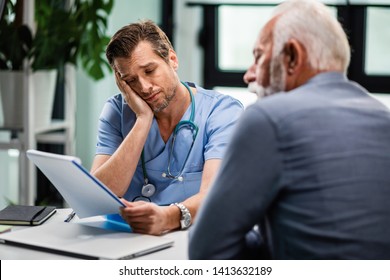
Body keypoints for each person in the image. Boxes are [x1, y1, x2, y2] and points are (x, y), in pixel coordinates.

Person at [189, 0, 390, 259]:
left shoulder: (267, 118)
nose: (248, 75)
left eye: (259, 56)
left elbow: (207, 251)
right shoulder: (384, 118)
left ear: (292, 57)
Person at [90, 20, 243, 236]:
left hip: (193, 237)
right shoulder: (117, 112)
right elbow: (98, 196)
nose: (144, 87)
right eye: (131, 80)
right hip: (127, 239)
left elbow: (216, 195)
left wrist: (168, 217)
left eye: (150, 71)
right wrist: (143, 120)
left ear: (172, 59)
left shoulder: (222, 112)